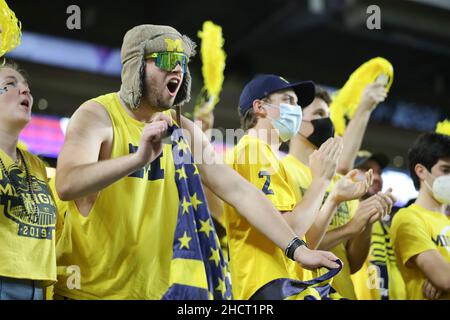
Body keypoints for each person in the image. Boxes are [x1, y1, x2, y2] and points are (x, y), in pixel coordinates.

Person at [54, 25, 338, 300]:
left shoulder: (183, 130)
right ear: (136, 66)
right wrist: (138, 159)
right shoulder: (98, 115)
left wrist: (298, 250)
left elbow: (239, 192)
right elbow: (67, 183)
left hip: (158, 293)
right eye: (166, 59)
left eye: (182, 62)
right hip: (88, 291)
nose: (177, 68)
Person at [209, 74, 364, 300]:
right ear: (260, 107)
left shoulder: (270, 158)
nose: (297, 110)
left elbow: (304, 240)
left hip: (287, 286)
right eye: (289, 101)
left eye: (297, 104)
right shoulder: (253, 150)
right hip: (270, 288)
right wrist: (321, 181)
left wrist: (333, 198)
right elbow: (290, 227)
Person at [283, 85, 395, 299]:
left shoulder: (341, 182)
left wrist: (366, 220)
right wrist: (350, 228)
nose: (328, 122)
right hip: (302, 292)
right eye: (319, 114)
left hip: (344, 293)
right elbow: (292, 245)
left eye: (328, 115)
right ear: (296, 119)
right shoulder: (282, 171)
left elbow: (352, 264)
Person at [0, 62, 57, 300]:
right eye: (10, 85)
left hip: (37, 286)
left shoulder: (37, 166)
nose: (25, 91)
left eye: (27, 88)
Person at [391, 132, 450, 300]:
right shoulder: (408, 218)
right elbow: (444, 278)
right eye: (446, 170)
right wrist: (442, 273)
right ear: (421, 171)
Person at [350, 150, 406, 300]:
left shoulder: (383, 224)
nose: (377, 177)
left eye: (379, 172)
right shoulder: (339, 215)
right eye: (367, 170)